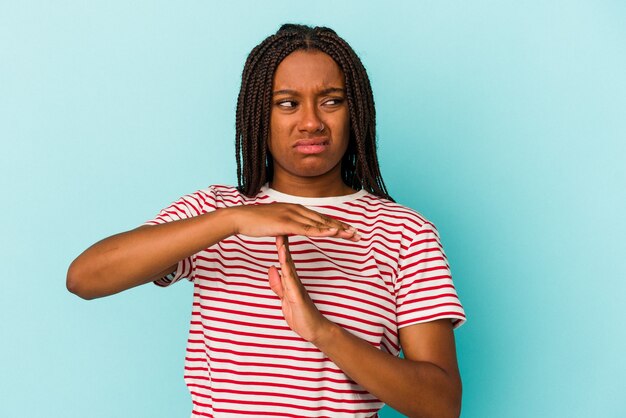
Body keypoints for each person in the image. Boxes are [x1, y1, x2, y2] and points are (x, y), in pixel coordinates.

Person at [67, 24, 466, 418]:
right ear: (260, 113)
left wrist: (321, 331)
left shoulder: (404, 232)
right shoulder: (215, 212)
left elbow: (440, 405)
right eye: (288, 103)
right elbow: (85, 278)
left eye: (331, 101)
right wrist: (235, 220)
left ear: (356, 111)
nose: (311, 122)